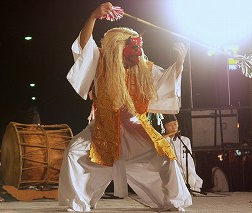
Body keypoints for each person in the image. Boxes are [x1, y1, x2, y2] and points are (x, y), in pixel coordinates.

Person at [58, 2, 191, 212]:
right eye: (132, 50)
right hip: (103, 128)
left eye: (139, 50)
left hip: (136, 130)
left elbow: (166, 80)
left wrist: (179, 63)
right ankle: (78, 205)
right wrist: (93, 16)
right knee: (74, 153)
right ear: (117, 49)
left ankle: (173, 202)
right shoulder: (101, 61)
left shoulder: (144, 68)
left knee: (166, 156)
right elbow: (85, 45)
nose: (137, 56)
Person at [162, 114, 203, 192]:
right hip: (171, 169)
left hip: (184, 168)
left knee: (191, 179)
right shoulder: (162, 140)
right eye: (169, 125)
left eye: (175, 124)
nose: (173, 127)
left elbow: (187, 159)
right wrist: (166, 139)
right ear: (165, 127)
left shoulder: (185, 140)